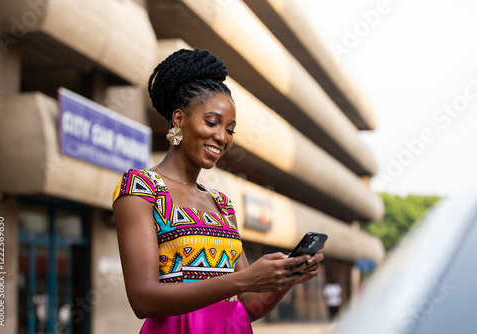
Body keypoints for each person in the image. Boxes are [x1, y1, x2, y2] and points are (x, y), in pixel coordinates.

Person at [112, 48, 325, 333]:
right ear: (178, 119)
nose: (221, 137)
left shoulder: (221, 204)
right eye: (212, 122)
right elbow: (143, 299)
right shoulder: (141, 188)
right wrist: (245, 279)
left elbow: (247, 306)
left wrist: (284, 279)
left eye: (230, 129)